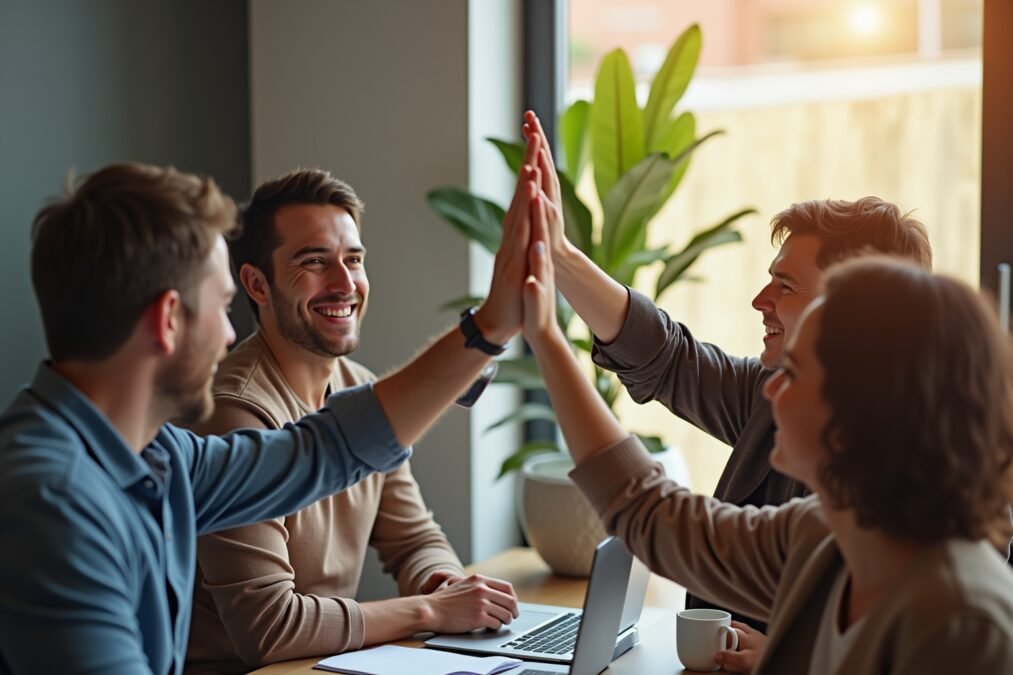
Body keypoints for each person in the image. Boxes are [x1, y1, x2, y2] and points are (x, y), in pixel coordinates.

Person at [0, 148, 544, 674]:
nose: (231, 333)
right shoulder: (55, 505)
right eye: (220, 304)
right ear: (169, 320)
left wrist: (491, 324)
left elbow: (326, 451)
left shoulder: (158, 456)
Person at [518, 190, 1013, 673]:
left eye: (794, 373)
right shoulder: (820, 532)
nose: (770, 394)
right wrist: (549, 306)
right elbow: (656, 516)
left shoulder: (963, 618)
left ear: (861, 384)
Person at [520, 112, 933, 639]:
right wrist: (559, 255)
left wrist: (546, 338)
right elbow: (666, 357)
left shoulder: (898, 490)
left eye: (785, 286)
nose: (759, 301)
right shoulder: (782, 400)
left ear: (852, 311)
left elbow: (659, 520)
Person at [183, 169, 515, 674]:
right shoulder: (236, 413)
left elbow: (413, 539)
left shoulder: (358, 384)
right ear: (256, 284)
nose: (345, 284)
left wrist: (447, 586)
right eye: (314, 262)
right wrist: (430, 611)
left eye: (353, 260)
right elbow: (269, 630)